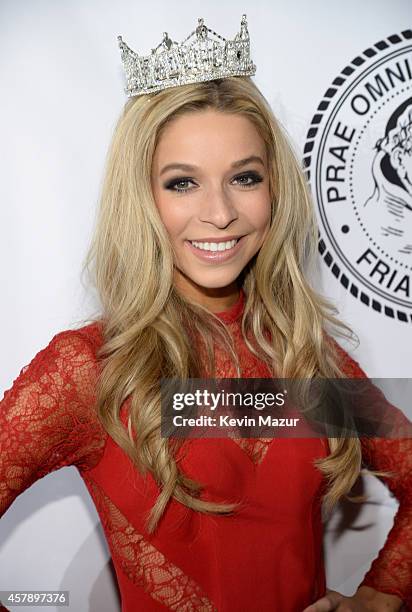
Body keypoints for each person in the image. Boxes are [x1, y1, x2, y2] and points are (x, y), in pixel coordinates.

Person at [1, 15, 411, 612]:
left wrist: (382, 596)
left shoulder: (303, 353)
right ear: (141, 196)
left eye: (244, 177)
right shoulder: (88, 369)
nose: (219, 213)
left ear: (276, 189)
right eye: (182, 183)